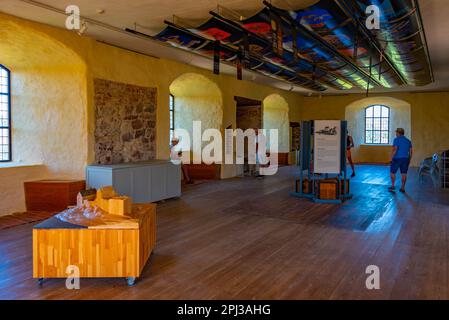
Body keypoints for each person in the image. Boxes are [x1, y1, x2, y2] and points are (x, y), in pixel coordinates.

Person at [389, 128, 413, 193]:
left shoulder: (396, 140)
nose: (396, 134)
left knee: (392, 172)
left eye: (396, 132)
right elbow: (410, 152)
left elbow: (395, 149)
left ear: (398, 133)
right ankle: (402, 188)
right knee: (404, 174)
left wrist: (391, 157)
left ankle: (393, 185)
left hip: (397, 158)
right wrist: (409, 159)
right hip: (405, 159)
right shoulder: (408, 141)